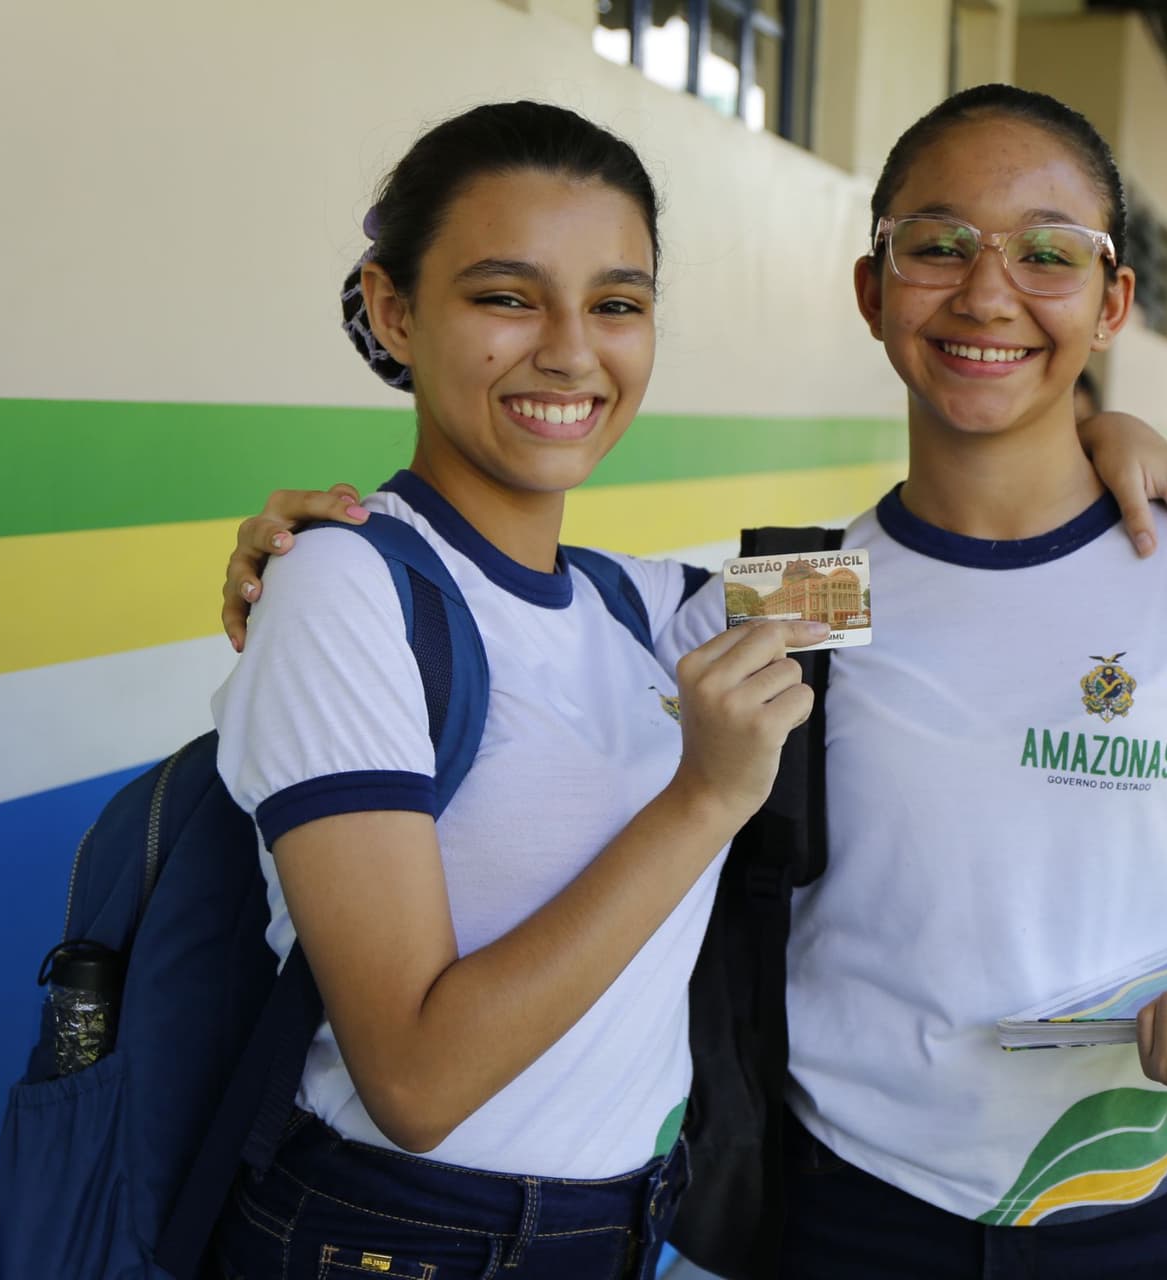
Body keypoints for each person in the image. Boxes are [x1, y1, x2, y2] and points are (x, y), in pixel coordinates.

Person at [222, 85, 1167, 1278]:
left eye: (1047, 256)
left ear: (1111, 299)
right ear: (872, 292)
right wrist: (320, 561)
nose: (986, 292)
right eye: (937, 247)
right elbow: (414, 1072)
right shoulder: (808, 596)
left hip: (1100, 1208)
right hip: (803, 1216)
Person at [205, 101, 830, 1279]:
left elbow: (928, 568)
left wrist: (1110, 448)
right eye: (506, 295)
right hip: (405, 1237)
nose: (569, 349)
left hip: (617, 1223)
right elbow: (416, 1081)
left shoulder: (639, 604)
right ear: (393, 309)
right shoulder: (347, 588)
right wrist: (703, 797)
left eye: (617, 303)